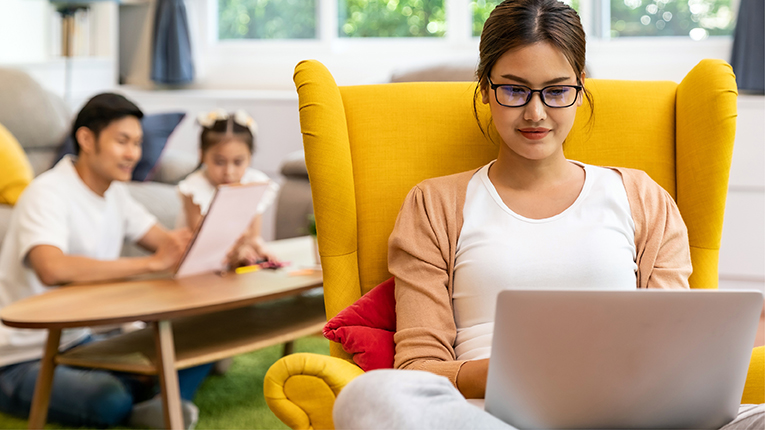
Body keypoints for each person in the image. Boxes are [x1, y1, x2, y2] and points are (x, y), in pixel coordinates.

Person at [332, 1, 764, 429]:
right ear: (485, 89)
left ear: (581, 90)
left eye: (557, 91)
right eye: (515, 90)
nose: (536, 113)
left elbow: (676, 349)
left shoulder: (642, 197)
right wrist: (510, 375)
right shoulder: (434, 204)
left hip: (629, 415)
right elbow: (418, 367)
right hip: (491, 415)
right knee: (370, 397)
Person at [0, 93, 211, 429]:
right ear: (86, 139)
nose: (133, 154)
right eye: (123, 141)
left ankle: (156, 400)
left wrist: (221, 242)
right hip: (21, 356)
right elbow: (51, 267)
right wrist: (148, 265)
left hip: (79, 342)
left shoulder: (115, 194)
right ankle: (157, 397)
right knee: (108, 399)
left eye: (138, 143)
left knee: (201, 336)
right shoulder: (47, 193)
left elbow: (169, 246)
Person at [177, 108, 279, 268]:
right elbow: (200, 242)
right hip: (200, 265)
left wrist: (260, 248)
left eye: (238, 162)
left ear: (250, 157)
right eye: (219, 162)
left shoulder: (254, 182)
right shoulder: (194, 188)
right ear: (202, 155)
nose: (229, 172)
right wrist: (238, 249)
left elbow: (254, 236)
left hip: (236, 265)